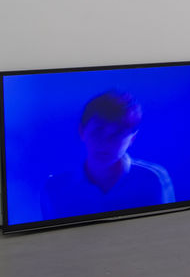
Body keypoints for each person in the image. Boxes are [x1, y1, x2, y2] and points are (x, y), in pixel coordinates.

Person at [39, 90, 174, 220]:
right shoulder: (55, 189)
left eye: (118, 133)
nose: (106, 142)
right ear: (82, 131)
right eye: (98, 130)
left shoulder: (152, 180)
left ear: (132, 139)